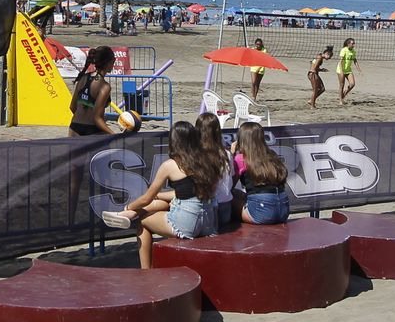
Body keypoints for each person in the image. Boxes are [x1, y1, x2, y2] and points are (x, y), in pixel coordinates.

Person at [101, 121, 220, 268]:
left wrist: (128, 207)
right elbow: (191, 194)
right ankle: (130, 214)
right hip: (209, 222)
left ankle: (146, 270)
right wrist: (161, 196)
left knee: (143, 222)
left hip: (188, 223)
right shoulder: (207, 160)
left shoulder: (171, 165)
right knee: (162, 203)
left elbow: (146, 198)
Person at [233, 121, 290, 225]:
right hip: (283, 209)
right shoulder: (272, 155)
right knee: (240, 194)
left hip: (262, 211)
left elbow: (229, 186)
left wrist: (231, 155)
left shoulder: (241, 159)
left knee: (230, 197)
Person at [67, 45, 119, 136]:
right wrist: (114, 134)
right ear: (109, 62)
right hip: (92, 129)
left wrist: (82, 117)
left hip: (74, 127)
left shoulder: (83, 78)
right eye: (113, 61)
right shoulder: (104, 86)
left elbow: (72, 107)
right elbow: (97, 118)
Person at [197, 111, 233, 227]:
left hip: (209, 208)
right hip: (226, 207)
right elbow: (231, 179)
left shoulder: (197, 155)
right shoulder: (226, 154)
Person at [336, 37, 358, 104]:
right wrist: (342, 71)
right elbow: (341, 61)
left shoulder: (353, 51)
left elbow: (354, 59)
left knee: (352, 84)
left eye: (354, 43)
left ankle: (343, 95)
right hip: (341, 69)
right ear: (348, 44)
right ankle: (340, 100)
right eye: (352, 43)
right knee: (341, 85)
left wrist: (358, 67)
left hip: (348, 70)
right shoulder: (344, 50)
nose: (354, 45)